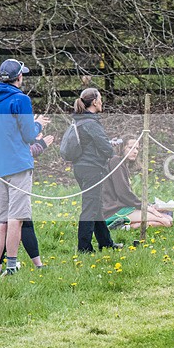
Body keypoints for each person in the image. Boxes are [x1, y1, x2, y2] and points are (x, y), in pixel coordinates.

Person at [0, 58, 48, 276]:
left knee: (0, 219)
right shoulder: (21, 99)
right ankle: (11, 265)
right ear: (19, 77)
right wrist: (39, 124)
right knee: (17, 217)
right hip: (18, 164)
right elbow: (29, 135)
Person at [72, 88, 121, 253]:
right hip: (91, 169)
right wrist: (112, 150)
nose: (102, 102)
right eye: (100, 99)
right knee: (90, 207)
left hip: (81, 167)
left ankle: (106, 242)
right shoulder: (91, 122)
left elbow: (92, 143)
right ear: (94, 102)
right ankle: (84, 247)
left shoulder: (80, 120)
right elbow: (105, 147)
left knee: (96, 205)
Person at [0, 132, 54, 271]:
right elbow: (21, 152)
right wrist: (41, 144)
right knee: (11, 221)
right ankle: (9, 266)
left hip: (4, 172)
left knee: (19, 221)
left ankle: (37, 265)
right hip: (12, 173)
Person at [102, 136, 173, 229]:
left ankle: (124, 226)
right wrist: (144, 206)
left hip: (124, 207)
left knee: (169, 218)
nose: (135, 151)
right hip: (114, 210)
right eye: (131, 147)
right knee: (165, 221)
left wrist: (149, 205)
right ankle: (116, 224)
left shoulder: (123, 164)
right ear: (121, 148)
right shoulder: (116, 161)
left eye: (137, 148)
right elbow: (123, 193)